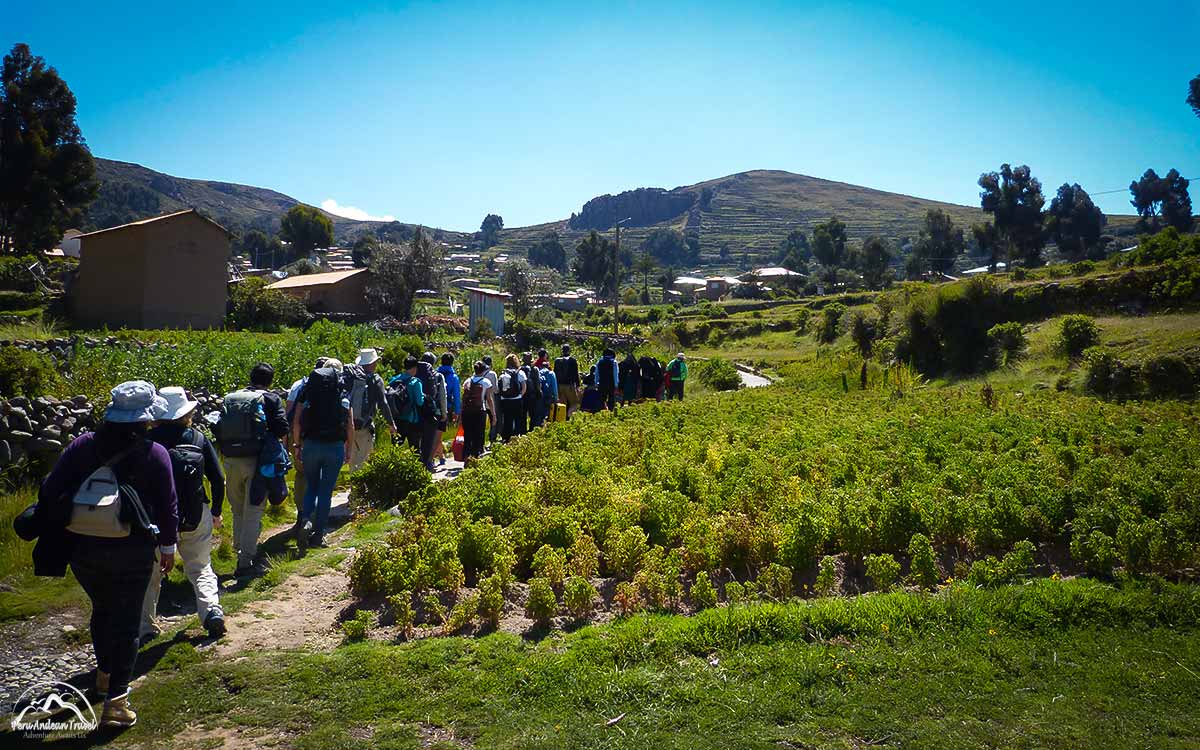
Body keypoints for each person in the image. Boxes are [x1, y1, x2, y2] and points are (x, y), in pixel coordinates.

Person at [36, 381, 178, 728]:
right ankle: (117, 702)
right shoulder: (155, 453)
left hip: (83, 547)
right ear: (145, 419)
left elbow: (50, 489)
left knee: (102, 609)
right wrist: (168, 547)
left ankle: (103, 674)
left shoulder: (82, 445)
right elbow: (168, 506)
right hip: (133, 548)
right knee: (128, 620)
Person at [142, 386, 226, 642]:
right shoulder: (198, 438)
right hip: (194, 513)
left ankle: (144, 627)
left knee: (151, 572)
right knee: (200, 567)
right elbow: (218, 477)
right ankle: (211, 612)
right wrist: (216, 510)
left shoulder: (147, 442)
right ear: (186, 412)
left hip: (156, 518)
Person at [215, 363, 289, 576]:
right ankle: (245, 562)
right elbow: (281, 428)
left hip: (230, 459)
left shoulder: (233, 398)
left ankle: (240, 550)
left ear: (251, 377)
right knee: (253, 511)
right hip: (257, 462)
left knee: (238, 511)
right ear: (270, 381)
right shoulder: (272, 399)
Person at [291, 358, 352, 549]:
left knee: (311, 486)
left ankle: (306, 519)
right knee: (325, 492)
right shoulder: (342, 393)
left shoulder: (307, 391)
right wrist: (348, 449)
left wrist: (297, 445)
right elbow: (350, 425)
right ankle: (318, 535)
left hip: (310, 444)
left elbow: (297, 422)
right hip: (334, 447)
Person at [286, 357, 329, 525]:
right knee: (322, 475)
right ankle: (315, 515)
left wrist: (291, 441)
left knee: (302, 474)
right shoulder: (332, 386)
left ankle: (302, 513)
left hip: (300, 436)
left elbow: (289, 413)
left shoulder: (299, 384)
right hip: (323, 438)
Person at [346, 348, 397, 471]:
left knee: (352, 458)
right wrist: (391, 424)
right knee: (363, 459)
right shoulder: (375, 379)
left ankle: (355, 486)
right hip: (364, 424)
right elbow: (383, 404)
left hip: (347, 425)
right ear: (372, 363)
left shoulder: (350, 377)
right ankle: (359, 488)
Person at [389, 355, 426, 454]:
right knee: (415, 449)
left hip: (396, 418)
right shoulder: (415, 382)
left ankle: (391, 468)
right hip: (411, 419)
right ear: (414, 368)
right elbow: (420, 402)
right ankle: (416, 469)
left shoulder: (393, 380)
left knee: (395, 447)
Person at [460, 360, 494, 461]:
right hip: (480, 411)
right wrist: (493, 414)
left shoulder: (467, 381)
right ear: (483, 371)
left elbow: (463, 398)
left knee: (468, 435)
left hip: (466, 411)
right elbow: (489, 399)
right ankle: (476, 456)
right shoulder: (486, 382)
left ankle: (466, 456)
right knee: (478, 434)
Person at [420, 352, 448, 470]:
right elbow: (442, 395)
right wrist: (444, 412)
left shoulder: (416, 373)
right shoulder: (437, 375)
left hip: (420, 409)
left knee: (422, 437)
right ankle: (429, 460)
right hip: (434, 410)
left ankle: (420, 460)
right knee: (434, 437)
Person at [432, 352, 461, 466]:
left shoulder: (434, 373)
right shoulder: (453, 377)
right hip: (446, 407)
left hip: (431, 406)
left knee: (435, 433)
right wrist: (457, 411)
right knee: (438, 433)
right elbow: (457, 396)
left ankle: (441, 455)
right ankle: (435, 456)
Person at [497, 353, 526, 441]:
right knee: (517, 419)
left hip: (505, 400)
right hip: (516, 399)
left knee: (507, 419)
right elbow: (524, 386)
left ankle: (506, 437)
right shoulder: (519, 372)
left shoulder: (503, 373)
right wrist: (520, 395)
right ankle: (516, 437)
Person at [554, 344, 581, 418]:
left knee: (562, 404)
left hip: (559, 385)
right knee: (574, 404)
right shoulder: (573, 360)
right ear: (569, 350)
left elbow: (555, 373)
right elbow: (576, 374)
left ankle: (561, 418)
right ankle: (569, 417)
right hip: (569, 386)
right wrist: (578, 386)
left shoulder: (557, 361)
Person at [520, 351, 544, 431]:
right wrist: (539, 392)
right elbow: (537, 382)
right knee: (533, 414)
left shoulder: (520, 369)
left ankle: (522, 430)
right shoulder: (535, 369)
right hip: (532, 395)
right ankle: (531, 430)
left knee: (523, 414)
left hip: (522, 395)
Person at [482, 355, 500, 445]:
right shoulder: (492, 374)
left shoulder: (478, 372)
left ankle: (481, 440)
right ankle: (492, 439)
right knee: (493, 419)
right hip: (491, 401)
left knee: (482, 422)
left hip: (480, 401)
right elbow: (496, 389)